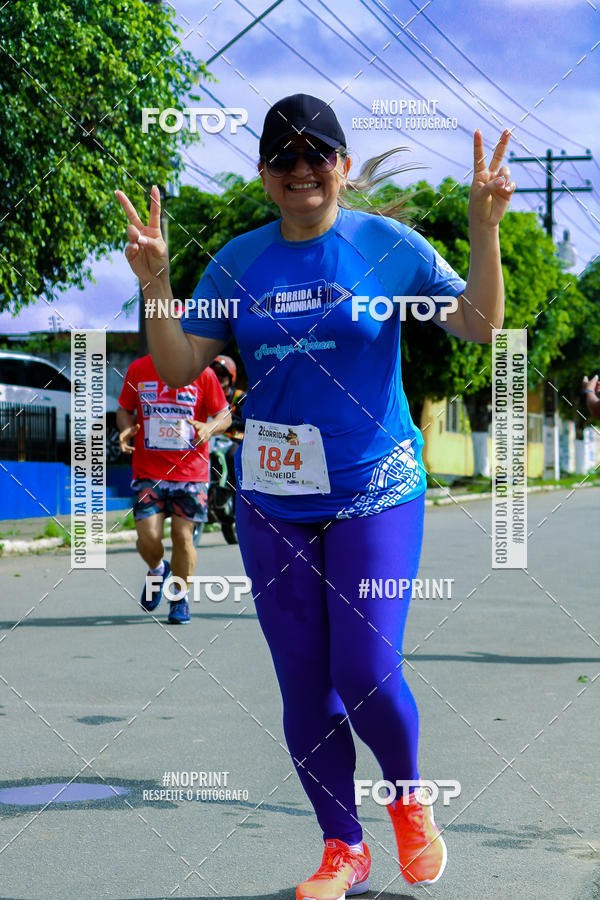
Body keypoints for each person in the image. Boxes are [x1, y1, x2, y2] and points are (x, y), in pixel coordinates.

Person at [116, 93, 515, 896]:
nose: (301, 169)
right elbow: (181, 367)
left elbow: (479, 324)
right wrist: (156, 282)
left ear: (341, 164)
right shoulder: (238, 262)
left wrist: (484, 229)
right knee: (304, 682)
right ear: (265, 174)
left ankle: (408, 799)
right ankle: (344, 848)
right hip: (273, 499)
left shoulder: (387, 247)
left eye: (316, 154)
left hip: (375, 488)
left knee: (364, 667)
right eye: (283, 157)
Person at [117, 354, 231, 624]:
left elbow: (224, 414)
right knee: (148, 538)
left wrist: (210, 427)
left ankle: (180, 597)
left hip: (191, 472)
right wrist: (126, 428)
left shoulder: (202, 373)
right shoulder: (138, 369)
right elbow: (124, 409)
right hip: (148, 471)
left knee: (182, 537)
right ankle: (158, 570)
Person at [210, 354, 246, 489]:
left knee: (233, 456)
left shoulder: (240, 397)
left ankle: (235, 490)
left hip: (233, 439)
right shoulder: (206, 396)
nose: (218, 378)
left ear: (231, 377)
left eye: (223, 374)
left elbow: (247, 421)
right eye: (215, 374)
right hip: (212, 440)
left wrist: (227, 422)